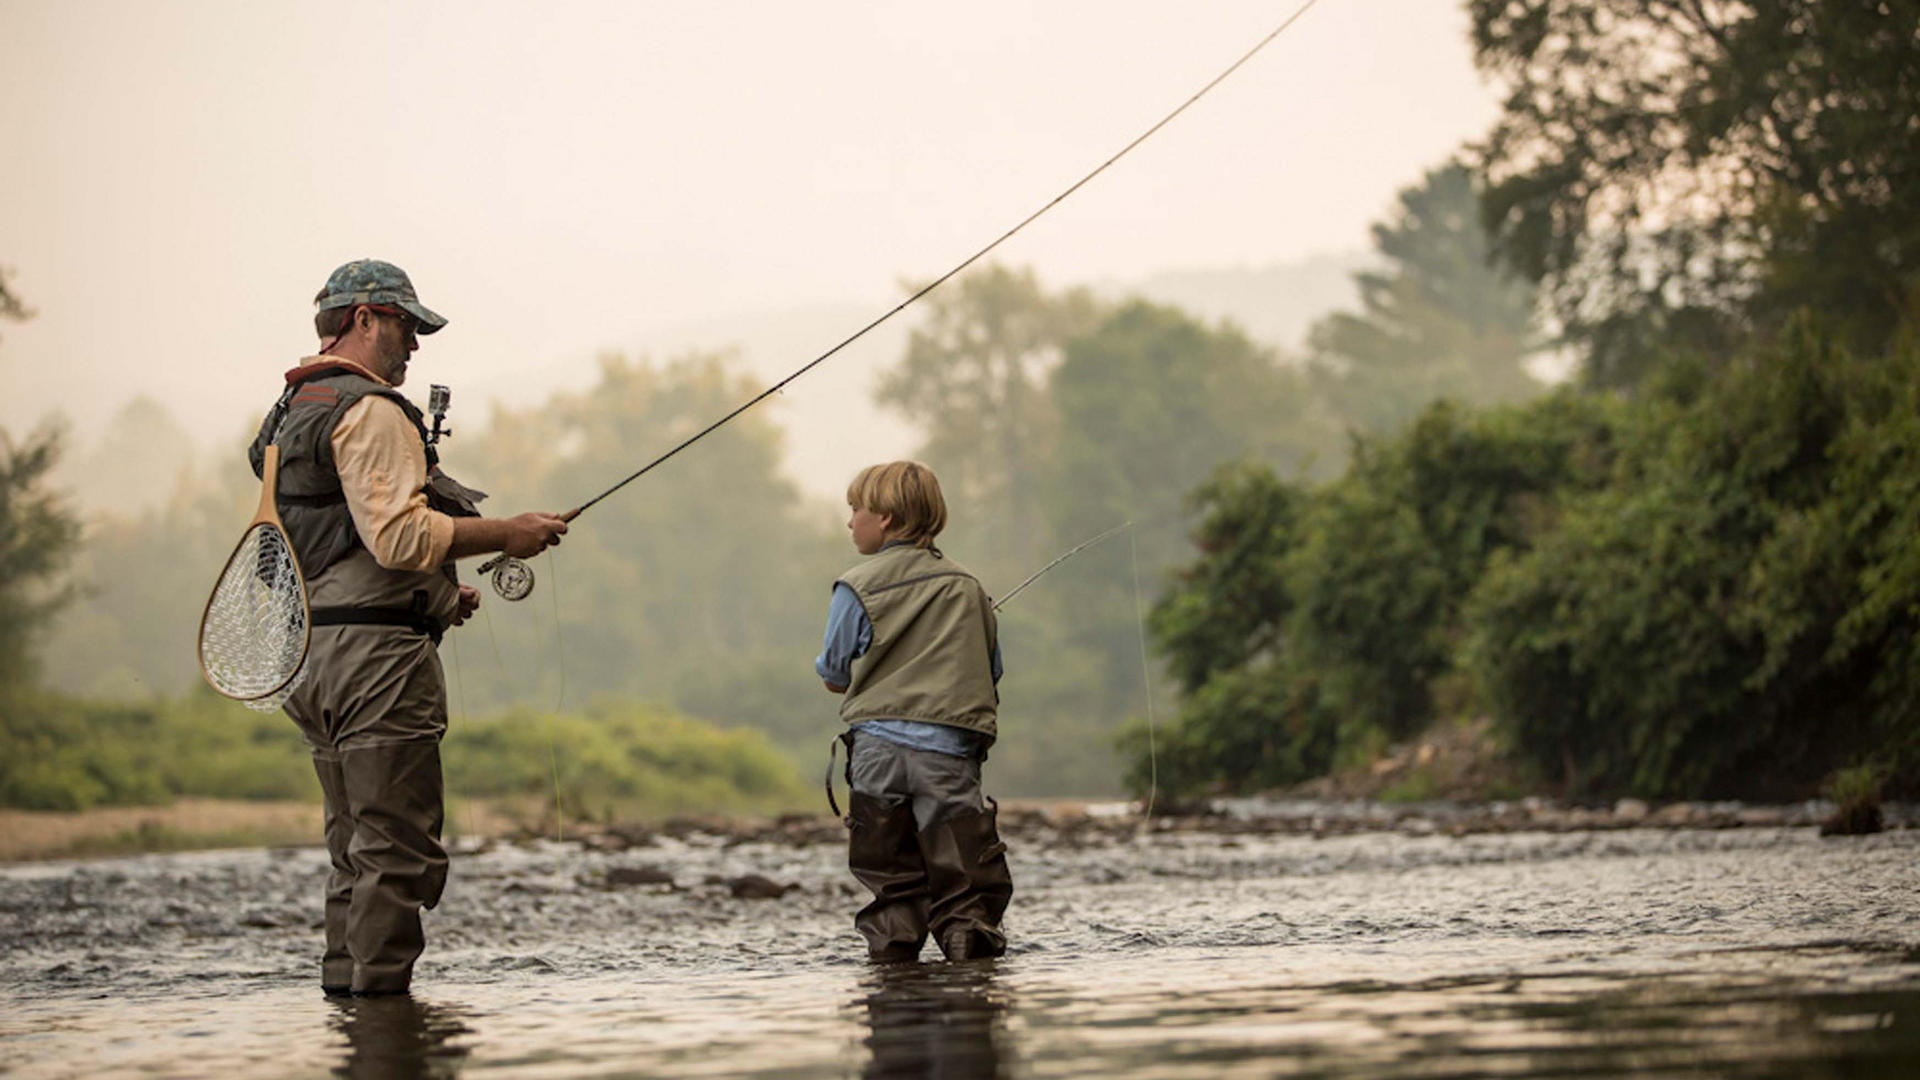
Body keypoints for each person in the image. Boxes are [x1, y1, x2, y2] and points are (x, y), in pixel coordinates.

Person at [247, 258, 569, 996]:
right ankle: (387, 1021)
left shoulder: (292, 410)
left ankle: (347, 1007)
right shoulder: (373, 410)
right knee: (398, 853)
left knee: (353, 848)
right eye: (404, 325)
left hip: (310, 652)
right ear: (363, 320)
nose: (414, 345)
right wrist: (505, 533)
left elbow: (337, 543)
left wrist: (431, 599)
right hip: (374, 666)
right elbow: (396, 538)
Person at [816, 461, 1013, 962]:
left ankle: (892, 966)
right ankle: (968, 958)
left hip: (877, 756)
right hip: (947, 754)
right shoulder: (969, 589)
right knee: (965, 881)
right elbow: (990, 671)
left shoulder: (854, 586)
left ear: (883, 518)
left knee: (893, 881)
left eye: (855, 509)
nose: (850, 521)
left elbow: (834, 674)